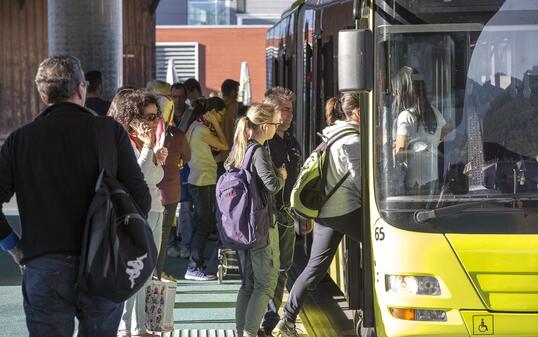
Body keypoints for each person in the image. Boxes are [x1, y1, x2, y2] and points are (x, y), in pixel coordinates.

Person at [0, 55, 151, 337]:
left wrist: (15, 247)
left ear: (43, 95)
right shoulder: (108, 131)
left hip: (43, 261)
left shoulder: (20, 140)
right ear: (81, 88)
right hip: (104, 260)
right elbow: (140, 199)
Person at [273, 93, 362, 337]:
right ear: (357, 113)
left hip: (325, 212)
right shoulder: (353, 141)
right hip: (346, 210)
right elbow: (361, 182)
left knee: (314, 268)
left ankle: (287, 320)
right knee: (383, 242)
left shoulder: (333, 133)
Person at [108, 89, 168, 337]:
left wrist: (156, 158)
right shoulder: (122, 141)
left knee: (147, 273)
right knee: (131, 272)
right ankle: (125, 328)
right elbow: (138, 178)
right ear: (132, 117)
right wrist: (148, 150)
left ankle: (141, 327)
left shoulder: (145, 142)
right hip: (133, 215)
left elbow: (155, 178)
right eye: (148, 117)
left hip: (155, 210)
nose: (153, 122)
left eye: (156, 117)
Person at [225, 103, 287, 337]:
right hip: (259, 226)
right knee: (264, 285)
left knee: (247, 285)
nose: (276, 127)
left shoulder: (238, 149)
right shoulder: (259, 151)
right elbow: (271, 185)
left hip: (241, 226)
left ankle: (242, 332)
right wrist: (281, 176)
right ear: (264, 126)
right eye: (273, 124)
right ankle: (251, 333)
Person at [259, 87, 304, 335]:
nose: (289, 115)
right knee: (268, 268)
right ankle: (263, 318)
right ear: (270, 111)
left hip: (287, 215)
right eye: (284, 109)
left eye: (291, 110)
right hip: (267, 215)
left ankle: (271, 315)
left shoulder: (291, 142)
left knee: (283, 268)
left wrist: (304, 212)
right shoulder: (261, 143)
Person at [147, 82, 191, 280]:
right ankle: (155, 274)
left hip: (149, 191)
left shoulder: (142, 131)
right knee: (162, 236)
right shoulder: (176, 135)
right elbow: (186, 157)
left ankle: (149, 276)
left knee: (149, 236)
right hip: (168, 191)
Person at [185, 97, 229, 280]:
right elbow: (225, 145)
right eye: (220, 116)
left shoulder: (195, 125)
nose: (221, 120)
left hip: (198, 179)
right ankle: (193, 266)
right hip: (202, 180)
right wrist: (216, 125)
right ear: (211, 113)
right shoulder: (203, 129)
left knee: (201, 224)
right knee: (203, 225)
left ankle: (196, 263)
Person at [392, 66, 446, 193]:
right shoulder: (435, 112)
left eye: (397, 91)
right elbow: (444, 136)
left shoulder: (406, 116)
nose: (396, 96)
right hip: (433, 177)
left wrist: (392, 149)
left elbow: (400, 156)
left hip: (415, 181)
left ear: (404, 91)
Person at [216, 79, 240, 176]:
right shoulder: (236, 108)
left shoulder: (217, 108)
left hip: (218, 156)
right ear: (234, 92)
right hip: (233, 155)